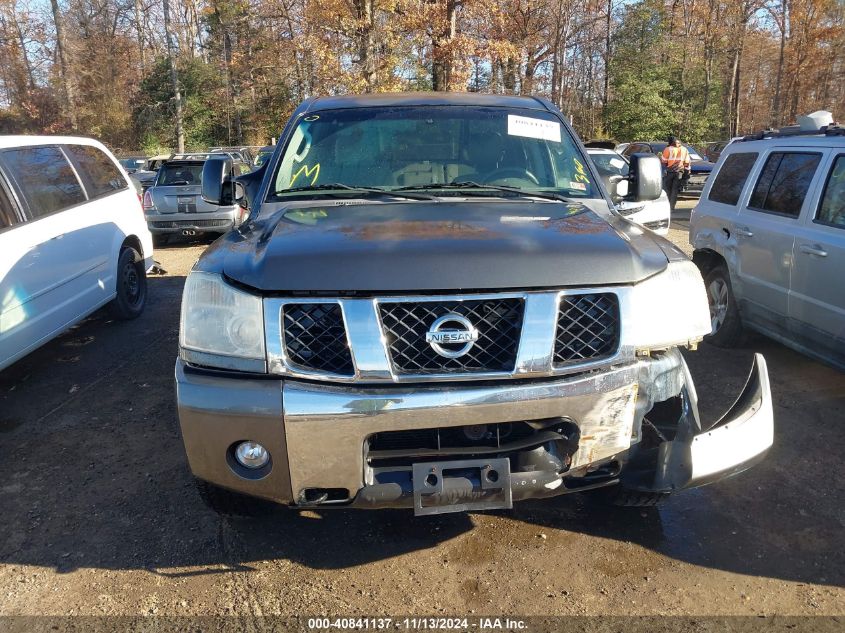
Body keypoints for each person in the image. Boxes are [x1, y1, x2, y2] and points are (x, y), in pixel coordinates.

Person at [660, 136, 691, 211]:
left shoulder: (668, 149)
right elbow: (687, 162)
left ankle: (666, 206)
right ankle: (672, 207)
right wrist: (687, 172)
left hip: (669, 172)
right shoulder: (684, 149)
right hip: (679, 172)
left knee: (667, 189)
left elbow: (663, 161)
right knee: (675, 190)